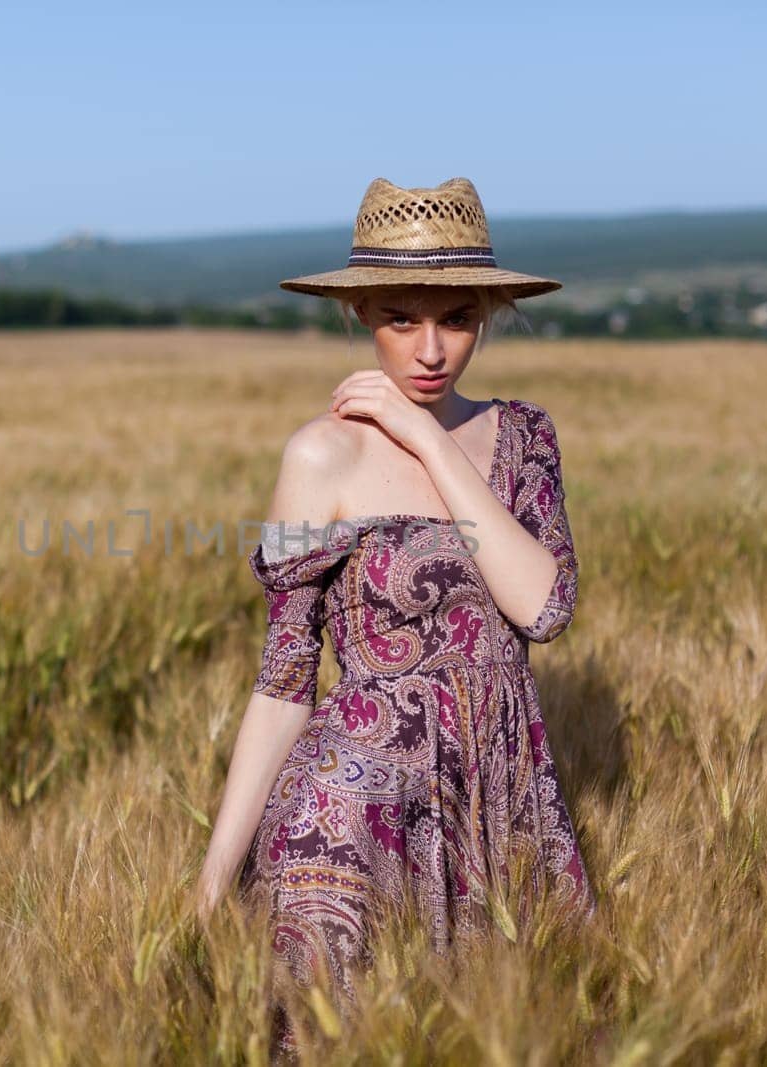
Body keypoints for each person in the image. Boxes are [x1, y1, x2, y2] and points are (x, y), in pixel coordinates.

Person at [192, 177, 598, 1056]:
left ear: (487, 315)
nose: (429, 348)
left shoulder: (524, 437)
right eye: (401, 318)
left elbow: (545, 605)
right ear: (361, 314)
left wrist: (428, 441)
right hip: (347, 810)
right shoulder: (321, 454)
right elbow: (284, 679)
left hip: (498, 799)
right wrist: (213, 878)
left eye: (456, 316)